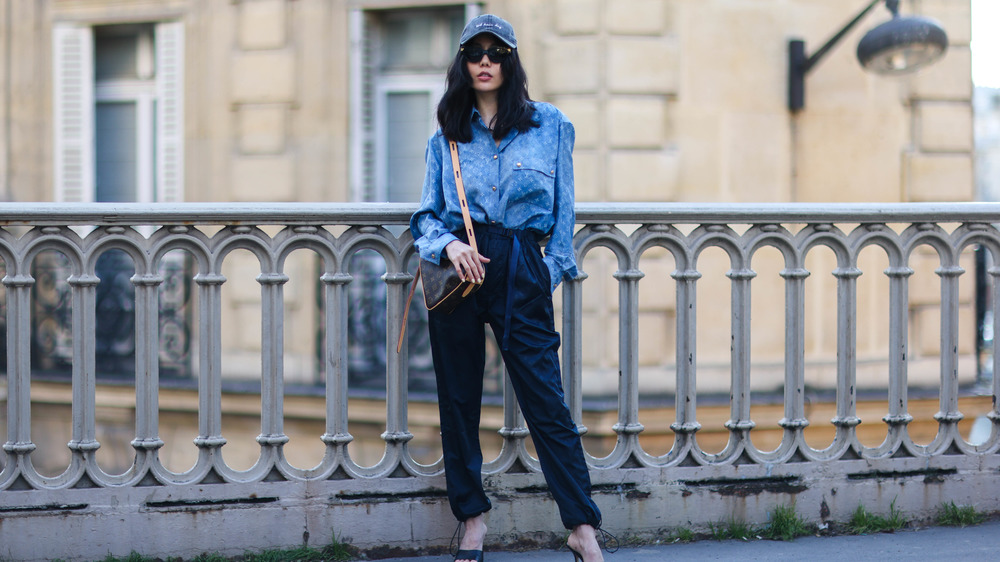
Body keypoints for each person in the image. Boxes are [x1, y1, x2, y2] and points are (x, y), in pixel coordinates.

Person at [409, 13, 612, 562]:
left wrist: (544, 273)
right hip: (460, 271)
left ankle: (582, 527)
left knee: (547, 401)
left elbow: (564, 218)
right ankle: (472, 521)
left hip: (522, 265)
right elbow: (425, 218)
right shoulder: (445, 135)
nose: (484, 62)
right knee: (458, 400)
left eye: (496, 53)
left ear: (511, 61)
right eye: (474, 52)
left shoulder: (551, 126)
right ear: (462, 61)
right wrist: (449, 246)